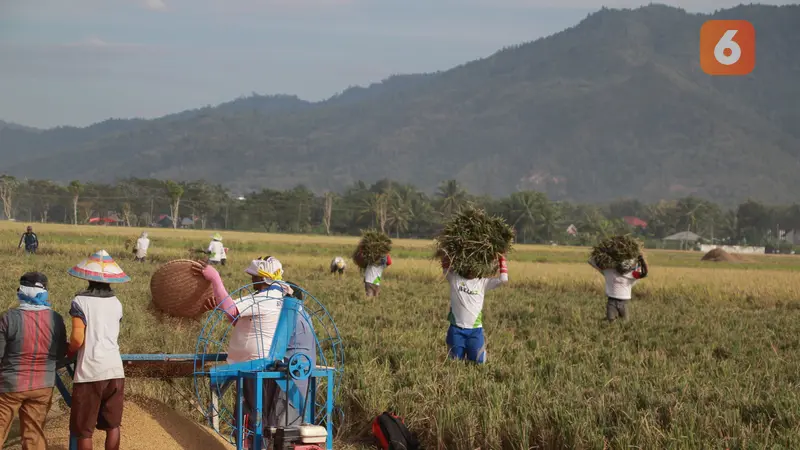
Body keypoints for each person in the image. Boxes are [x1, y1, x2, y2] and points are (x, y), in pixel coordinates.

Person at [195, 256, 294, 448]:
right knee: (253, 413)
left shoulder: (265, 298)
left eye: (254, 276)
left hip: (256, 366)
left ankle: (254, 446)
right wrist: (219, 306)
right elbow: (241, 320)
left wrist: (216, 279)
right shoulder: (274, 297)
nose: (251, 280)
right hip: (256, 366)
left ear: (263, 278)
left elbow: (232, 310)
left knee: (251, 417)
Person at [66, 250, 129, 450]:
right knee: (113, 425)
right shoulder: (116, 303)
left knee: (84, 429)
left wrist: (68, 353)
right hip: (115, 370)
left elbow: (77, 338)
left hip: (90, 371)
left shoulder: (80, 302)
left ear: (88, 278)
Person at [0, 272, 67, 450]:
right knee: (34, 436)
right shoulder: (56, 319)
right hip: (42, 386)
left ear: (20, 291)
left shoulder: (8, 318)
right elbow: (60, 354)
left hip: (10, 385)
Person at [442, 254, 508, 364]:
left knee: (479, 362)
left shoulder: (482, 282)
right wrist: (446, 251)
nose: (470, 269)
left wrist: (501, 257)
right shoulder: (455, 278)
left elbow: (503, 279)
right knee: (454, 363)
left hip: (475, 331)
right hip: (456, 330)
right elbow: (445, 267)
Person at [588, 254, 649, 322]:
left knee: (624, 323)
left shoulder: (630, 274)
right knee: (611, 321)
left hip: (623, 303)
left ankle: (600, 321)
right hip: (612, 301)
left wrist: (641, 261)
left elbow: (644, 273)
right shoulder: (609, 270)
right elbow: (591, 261)